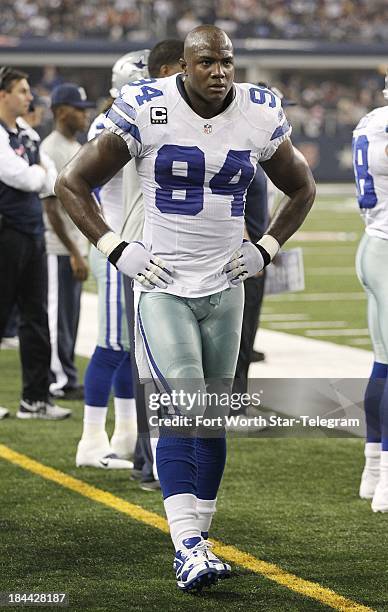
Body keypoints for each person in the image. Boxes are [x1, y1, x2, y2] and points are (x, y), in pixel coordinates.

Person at [55, 26, 315, 591]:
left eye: (227, 61)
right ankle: (186, 545)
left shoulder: (257, 111)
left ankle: (201, 534)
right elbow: (72, 182)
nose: (219, 71)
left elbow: (302, 188)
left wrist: (264, 248)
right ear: (183, 68)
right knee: (184, 401)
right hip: (165, 282)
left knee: (211, 414)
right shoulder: (147, 109)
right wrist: (115, 249)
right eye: (207, 62)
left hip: (226, 284)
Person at [76, 50, 151, 470]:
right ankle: (90, 440)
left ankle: (124, 436)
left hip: (131, 244)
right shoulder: (111, 123)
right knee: (110, 346)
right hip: (114, 245)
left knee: (127, 349)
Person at [0, 66, 71, 420]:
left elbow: (48, 179)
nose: (29, 98)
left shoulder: (25, 132)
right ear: (3, 95)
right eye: (23, 91)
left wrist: (37, 175)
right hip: (6, 233)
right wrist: (37, 175)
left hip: (32, 233)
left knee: (36, 318)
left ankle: (35, 399)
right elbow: (19, 176)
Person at [40, 83, 94, 400]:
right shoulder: (50, 148)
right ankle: (60, 380)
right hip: (58, 248)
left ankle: (67, 374)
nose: (84, 114)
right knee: (56, 317)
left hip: (74, 247)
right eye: (78, 109)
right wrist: (74, 252)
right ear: (61, 111)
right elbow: (50, 208)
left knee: (70, 317)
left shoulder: (76, 145)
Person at [353, 79, 388, 513]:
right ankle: (385, 480)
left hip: (373, 243)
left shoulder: (370, 121)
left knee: (383, 362)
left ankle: (373, 469)